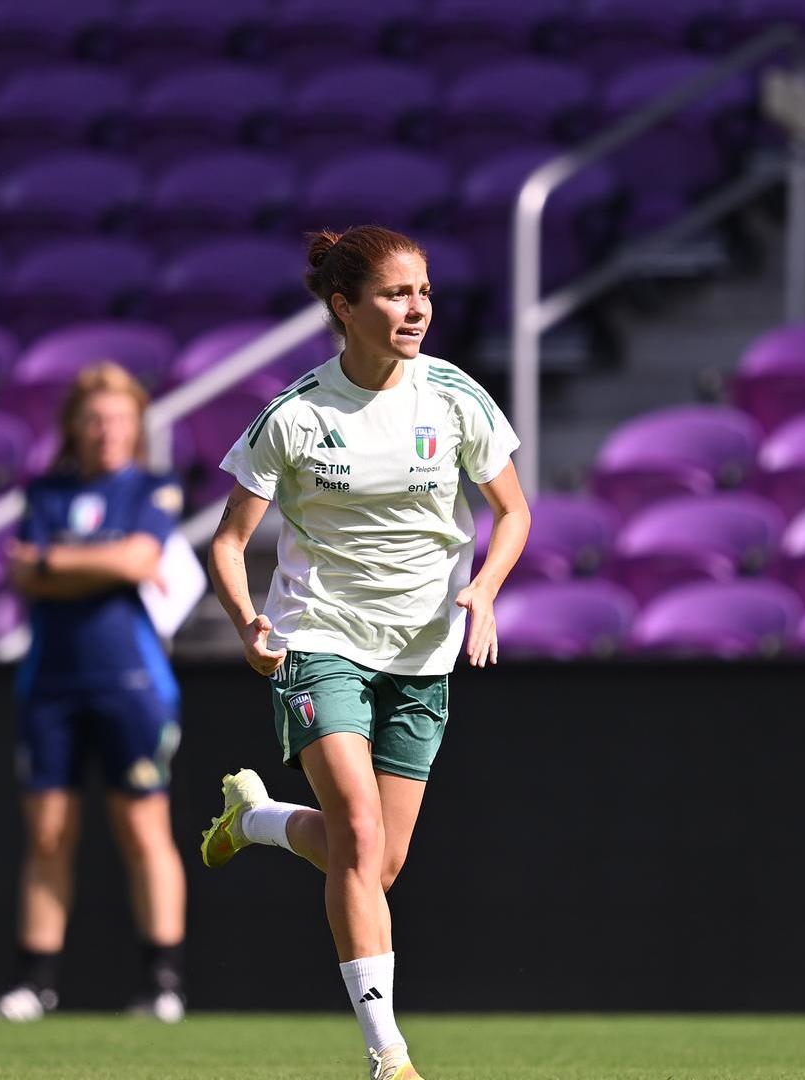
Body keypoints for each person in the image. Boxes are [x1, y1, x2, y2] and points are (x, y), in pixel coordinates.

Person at [198, 225, 531, 1080]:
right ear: (344, 308)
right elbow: (229, 543)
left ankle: (258, 820)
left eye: (421, 291)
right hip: (321, 638)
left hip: (424, 651)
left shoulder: (455, 397)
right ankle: (389, 1056)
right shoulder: (296, 416)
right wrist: (246, 622)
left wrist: (484, 589)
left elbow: (514, 512)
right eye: (394, 294)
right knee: (355, 830)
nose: (415, 308)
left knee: (378, 861)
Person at [0, 361, 190, 1024]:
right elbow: (23, 576)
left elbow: (138, 560)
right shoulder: (45, 492)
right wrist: (90, 565)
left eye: (120, 420)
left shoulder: (152, 489)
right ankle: (34, 984)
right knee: (48, 834)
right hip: (51, 682)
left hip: (131, 683)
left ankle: (162, 983)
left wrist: (56, 562)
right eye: (96, 419)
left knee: (142, 827)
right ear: (74, 426)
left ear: (137, 427)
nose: (108, 431)